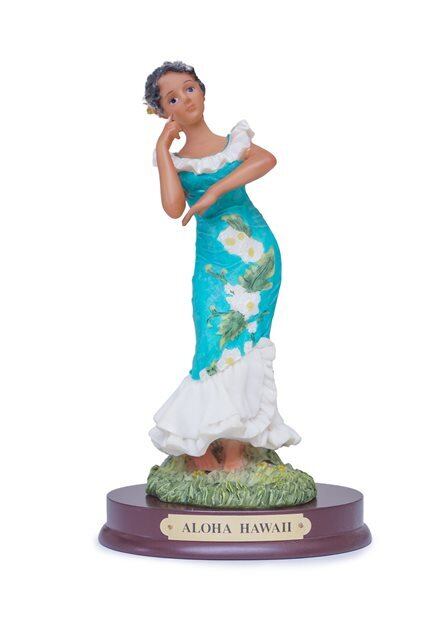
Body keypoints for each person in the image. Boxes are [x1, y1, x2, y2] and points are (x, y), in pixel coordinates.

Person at [144, 61, 301, 472]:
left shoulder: (235, 141)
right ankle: (195, 446)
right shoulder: (177, 161)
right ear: (163, 113)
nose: (185, 100)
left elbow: (267, 160)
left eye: (189, 88)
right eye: (172, 98)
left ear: (202, 90)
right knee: (212, 347)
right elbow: (173, 207)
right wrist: (161, 150)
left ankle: (235, 452)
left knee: (247, 347)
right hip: (214, 262)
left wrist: (216, 190)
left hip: (257, 254)